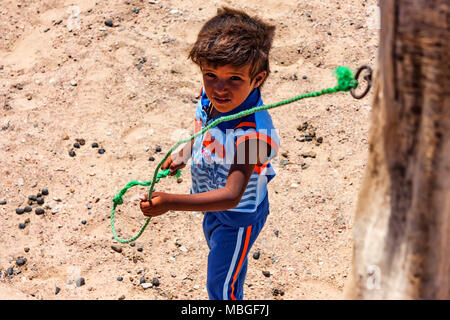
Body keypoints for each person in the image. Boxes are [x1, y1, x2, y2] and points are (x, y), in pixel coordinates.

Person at [140, 7, 279, 300]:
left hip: (238, 217)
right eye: (210, 75)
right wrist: (184, 152)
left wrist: (170, 202)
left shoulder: (254, 135)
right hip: (210, 203)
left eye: (235, 79)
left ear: (257, 79)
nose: (220, 89)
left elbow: (232, 195)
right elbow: (204, 129)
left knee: (222, 289)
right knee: (220, 265)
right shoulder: (208, 98)